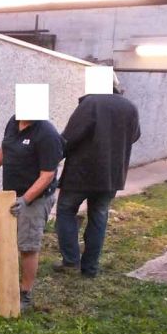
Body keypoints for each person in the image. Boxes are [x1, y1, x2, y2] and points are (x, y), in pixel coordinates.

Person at [53, 76, 141, 278]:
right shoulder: (130, 107)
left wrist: (54, 155)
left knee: (66, 211)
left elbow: (70, 137)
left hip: (81, 174)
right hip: (111, 175)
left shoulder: (91, 103)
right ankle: (90, 268)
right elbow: (135, 135)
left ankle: (71, 261)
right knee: (99, 217)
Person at [0, 115, 64, 311]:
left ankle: (25, 293)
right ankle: (3, 281)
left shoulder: (47, 134)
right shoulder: (13, 122)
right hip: (9, 195)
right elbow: (5, 148)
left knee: (28, 246)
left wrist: (26, 200)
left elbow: (48, 175)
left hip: (35, 198)